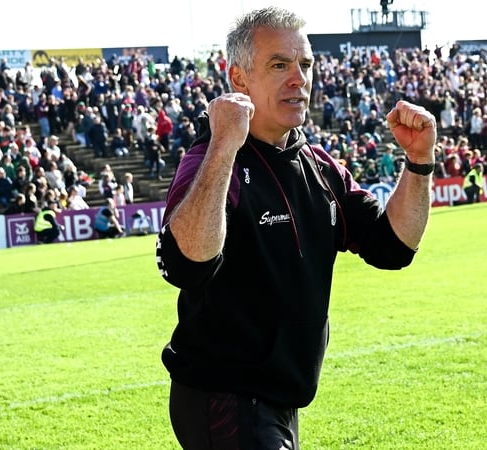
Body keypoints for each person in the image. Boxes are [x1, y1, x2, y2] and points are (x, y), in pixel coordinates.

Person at [155, 7, 435, 449]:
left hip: (281, 400)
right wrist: (226, 142)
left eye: (305, 64)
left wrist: (419, 163)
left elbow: (392, 247)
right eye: (279, 65)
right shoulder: (212, 157)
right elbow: (183, 264)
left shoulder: (320, 166)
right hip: (222, 397)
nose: (298, 78)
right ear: (239, 78)